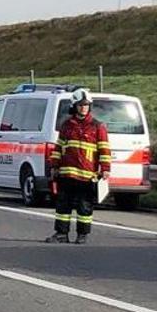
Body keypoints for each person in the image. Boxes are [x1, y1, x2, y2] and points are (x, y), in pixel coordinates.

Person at [45, 89, 111, 244]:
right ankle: (61, 234)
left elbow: (104, 149)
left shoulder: (97, 127)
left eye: (86, 105)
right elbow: (58, 148)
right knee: (63, 206)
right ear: (74, 106)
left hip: (87, 175)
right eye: (81, 105)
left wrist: (105, 169)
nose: (84, 108)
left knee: (84, 207)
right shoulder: (67, 125)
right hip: (66, 174)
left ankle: (82, 235)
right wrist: (54, 166)